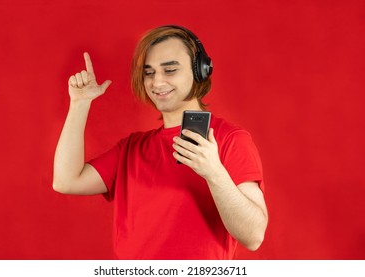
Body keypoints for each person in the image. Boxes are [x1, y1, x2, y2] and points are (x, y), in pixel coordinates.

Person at [53, 25, 268, 260]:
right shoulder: (131, 149)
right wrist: (79, 104)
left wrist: (214, 172)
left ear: (200, 71)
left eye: (170, 70)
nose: (157, 82)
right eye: (149, 72)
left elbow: (253, 235)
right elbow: (66, 181)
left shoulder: (230, 140)